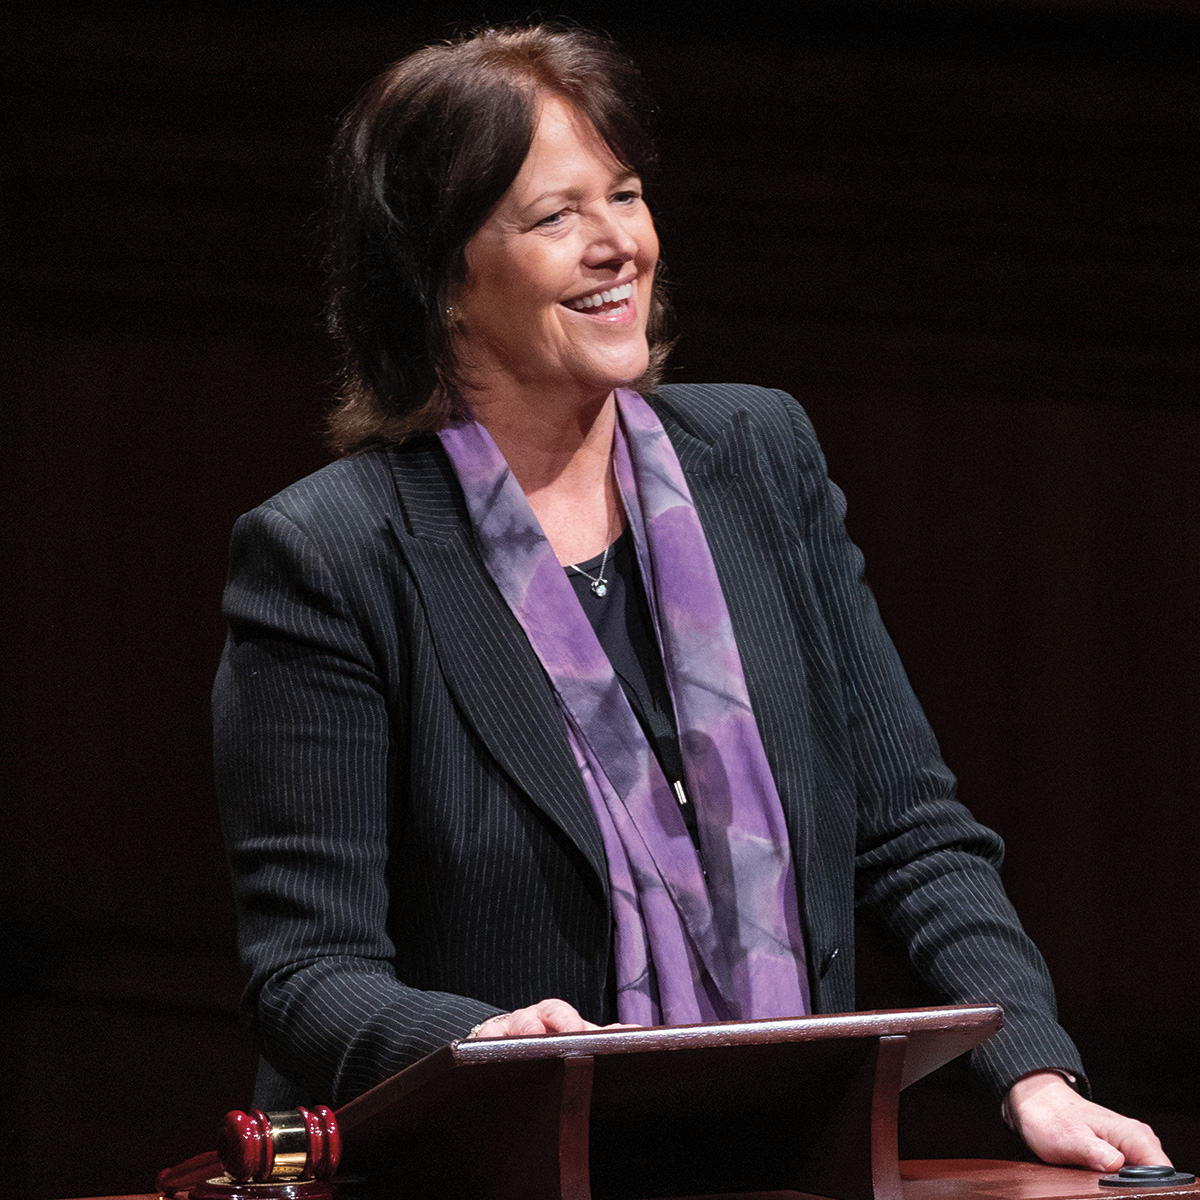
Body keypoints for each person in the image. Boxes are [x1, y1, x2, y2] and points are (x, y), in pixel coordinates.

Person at [213, 23, 1165, 1172]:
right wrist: (479, 1042)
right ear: (441, 279)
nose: (618, 243)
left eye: (625, 194)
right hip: (490, 1172)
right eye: (556, 216)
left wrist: (1033, 1067)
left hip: (782, 1154)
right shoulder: (330, 554)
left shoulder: (761, 456)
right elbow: (307, 975)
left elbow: (909, 830)